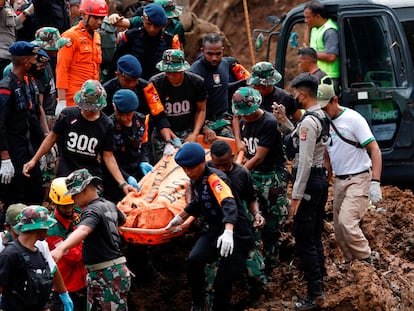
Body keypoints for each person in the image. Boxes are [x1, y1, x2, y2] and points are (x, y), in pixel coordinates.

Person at [165, 142, 254, 310]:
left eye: (190, 168)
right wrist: (179, 217)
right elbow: (198, 203)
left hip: (234, 233)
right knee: (194, 260)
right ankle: (198, 303)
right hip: (214, 230)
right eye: (184, 169)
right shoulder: (197, 179)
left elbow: (229, 204)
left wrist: (228, 231)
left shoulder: (215, 179)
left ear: (201, 163)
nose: (187, 172)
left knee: (222, 281)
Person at [22, 80, 136, 197]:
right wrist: (34, 160)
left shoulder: (106, 125)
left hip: (90, 178)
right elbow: (52, 138)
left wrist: (123, 183)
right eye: (85, 108)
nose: (88, 111)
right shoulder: (67, 115)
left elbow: (108, 156)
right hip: (66, 173)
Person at [317, 82, 382, 263]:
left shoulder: (353, 119)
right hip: (340, 179)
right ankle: (351, 264)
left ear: (335, 100)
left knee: (347, 222)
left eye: (326, 106)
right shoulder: (323, 121)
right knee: (338, 229)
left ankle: (366, 258)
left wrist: (375, 182)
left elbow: (375, 149)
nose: (323, 111)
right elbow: (328, 155)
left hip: (359, 177)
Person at [51, 168, 132, 311]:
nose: (73, 201)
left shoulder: (91, 211)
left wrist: (61, 248)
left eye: (74, 195)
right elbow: (122, 221)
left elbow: (83, 230)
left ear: (85, 190)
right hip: (109, 272)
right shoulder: (109, 205)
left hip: (106, 274)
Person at [231, 86, 289, 277]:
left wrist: (237, 173)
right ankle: (254, 263)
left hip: (272, 175)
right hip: (253, 174)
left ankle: (272, 263)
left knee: (273, 225)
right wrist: (238, 139)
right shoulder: (242, 117)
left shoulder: (269, 123)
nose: (244, 117)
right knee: (250, 219)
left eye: (247, 114)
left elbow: (259, 157)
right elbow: (236, 118)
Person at [285, 73, 329, 310]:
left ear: (302, 94)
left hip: (309, 180)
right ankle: (321, 276)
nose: (295, 98)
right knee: (314, 232)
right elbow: (302, 140)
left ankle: (315, 292)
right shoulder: (320, 116)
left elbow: (303, 160)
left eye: (295, 94)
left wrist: (296, 196)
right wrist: (285, 123)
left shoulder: (310, 121)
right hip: (319, 179)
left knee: (303, 236)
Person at [209, 140, 267, 305]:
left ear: (233, 157)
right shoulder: (206, 170)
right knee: (214, 271)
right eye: (217, 165)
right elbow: (192, 188)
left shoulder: (242, 173)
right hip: (216, 225)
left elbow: (251, 198)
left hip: (240, 224)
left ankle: (256, 296)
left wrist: (257, 214)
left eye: (225, 165)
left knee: (253, 268)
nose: (221, 170)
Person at [0, 41, 44, 230]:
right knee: (14, 201)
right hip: (12, 151)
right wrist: (4, 157)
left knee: (35, 191)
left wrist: (41, 150)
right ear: (26, 62)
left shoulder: (27, 83)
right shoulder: (6, 87)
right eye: (35, 60)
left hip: (27, 148)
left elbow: (32, 117)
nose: (38, 63)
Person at [0, 203, 74, 311]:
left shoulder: (39, 252)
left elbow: (41, 297)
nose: (48, 231)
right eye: (46, 227)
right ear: (39, 229)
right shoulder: (10, 254)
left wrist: (64, 295)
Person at [150, 49, 207, 162]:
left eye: (175, 73)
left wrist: (195, 133)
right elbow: (158, 116)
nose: (171, 76)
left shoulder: (197, 82)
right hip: (164, 131)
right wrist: (170, 140)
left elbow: (201, 110)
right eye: (168, 72)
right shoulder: (155, 83)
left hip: (188, 128)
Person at [190, 33, 250, 139]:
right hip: (202, 123)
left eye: (218, 54)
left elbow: (222, 88)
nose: (214, 58)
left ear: (223, 50)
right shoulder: (195, 73)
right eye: (210, 54)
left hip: (223, 120)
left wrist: (245, 82)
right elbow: (190, 104)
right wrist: (203, 128)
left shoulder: (225, 64)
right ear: (202, 51)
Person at [233, 61, 301, 152]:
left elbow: (300, 120)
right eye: (257, 86)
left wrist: (283, 119)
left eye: (263, 87)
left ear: (271, 83)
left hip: (274, 147)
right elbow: (236, 116)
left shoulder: (285, 98)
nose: (259, 89)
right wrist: (238, 139)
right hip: (250, 143)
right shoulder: (247, 95)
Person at [55, 0, 107, 111]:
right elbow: (62, 69)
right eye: (95, 18)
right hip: (73, 98)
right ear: (84, 14)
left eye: (101, 18)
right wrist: (62, 101)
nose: (99, 22)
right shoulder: (70, 36)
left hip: (93, 98)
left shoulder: (97, 36)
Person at [102, 89, 153, 203]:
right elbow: (109, 158)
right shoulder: (108, 126)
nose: (125, 118)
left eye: (129, 114)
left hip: (137, 172)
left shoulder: (142, 120)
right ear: (114, 107)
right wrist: (125, 177)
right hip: (115, 177)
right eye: (121, 114)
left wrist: (144, 161)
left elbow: (144, 144)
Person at [47, 177, 87, 311]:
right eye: (65, 206)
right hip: (67, 285)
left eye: (72, 204)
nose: (70, 209)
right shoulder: (52, 230)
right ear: (55, 204)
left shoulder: (78, 212)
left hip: (84, 281)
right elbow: (75, 257)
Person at [112, 3, 172, 80]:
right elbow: (116, 64)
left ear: (162, 25)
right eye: (149, 24)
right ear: (143, 20)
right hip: (132, 83)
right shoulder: (130, 37)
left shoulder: (169, 41)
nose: (152, 29)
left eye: (156, 26)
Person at [109, 0, 185, 49]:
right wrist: (114, 17)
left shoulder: (177, 27)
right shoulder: (142, 21)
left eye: (169, 18)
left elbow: (180, 48)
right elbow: (123, 22)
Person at [304, 0, 340, 94]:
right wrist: (308, 26)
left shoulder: (329, 31)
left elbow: (331, 56)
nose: (305, 20)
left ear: (318, 16)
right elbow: (307, 43)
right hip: (317, 75)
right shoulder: (316, 28)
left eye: (308, 18)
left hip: (329, 78)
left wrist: (309, 54)